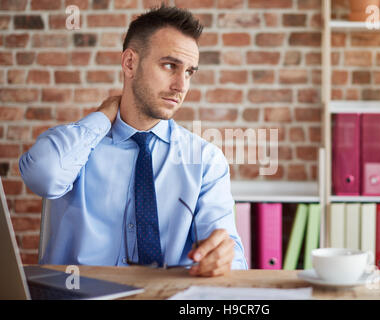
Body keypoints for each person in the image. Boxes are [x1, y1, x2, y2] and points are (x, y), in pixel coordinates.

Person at [19, 6, 247, 277]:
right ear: (130, 63)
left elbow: (232, 260)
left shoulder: (205, 161)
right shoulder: (79, 146)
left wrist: (221, 259)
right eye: (169, 66)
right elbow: (43, 176)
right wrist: (102, 117)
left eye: (189, 72)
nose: (181, 85)